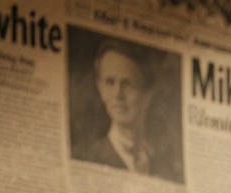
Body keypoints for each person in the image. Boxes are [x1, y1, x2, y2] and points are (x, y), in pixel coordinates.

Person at [73, 39, 180, 183]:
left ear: (147, 94)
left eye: (127, 84)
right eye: (110, 82)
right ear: (100, 89)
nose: (118, 95)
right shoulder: (85, 158)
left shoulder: (166, 169)